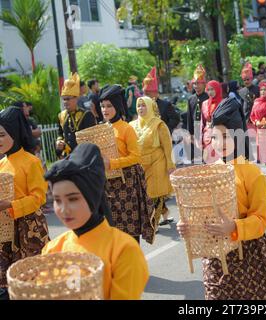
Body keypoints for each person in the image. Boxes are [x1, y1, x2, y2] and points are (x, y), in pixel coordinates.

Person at [176, 101, 266, 300]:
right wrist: (187, 226)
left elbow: (260, 220)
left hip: (248, 256)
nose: (219, 143)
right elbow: (201, 214)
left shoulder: (252, 173)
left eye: (226, 136)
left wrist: (233, 226)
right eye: (214, 137)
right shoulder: (210, 173)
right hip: (215, 255)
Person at [43, 143, 149, 300]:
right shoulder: (52, 250)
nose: (64, 209)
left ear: (92, 196)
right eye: (57, 200)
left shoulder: (123, 250)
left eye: (73, 199)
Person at [0, 106, 49, 300]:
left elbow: (39, 197)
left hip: (29, 229)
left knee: (32, 283)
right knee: (8, 284)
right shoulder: (1, 164)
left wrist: (11, 206)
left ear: (15, 133)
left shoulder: (31, 162)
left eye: (2, 135)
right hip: (5, 230)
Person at [99, 84, 156, 245]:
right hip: (109, 185)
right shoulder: (103, 129)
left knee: (129, 230)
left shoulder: (126, 129)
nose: (105, 110)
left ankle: (135, 266)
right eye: (102, 106)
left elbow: (135, 157)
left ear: (117, 106)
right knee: (113, 230)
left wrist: (113, 163)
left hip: (127, 184)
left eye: (109, 106)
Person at [130, 97, 175, 228]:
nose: (140, 108)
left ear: (150, 107)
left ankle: (152, 224)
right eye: (138, 106)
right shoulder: (132, 125)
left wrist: (170, 164)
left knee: (154, 194)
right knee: (149, 194)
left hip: (157, 163)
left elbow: (167, 146)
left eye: (144, 106)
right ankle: (165, 213)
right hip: (141, 165)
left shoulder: (159, 124)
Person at [55, 73, 97, 158]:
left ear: (76, 98)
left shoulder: (86, 115)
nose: (65, 102)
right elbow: (60, 134)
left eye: (68, 99)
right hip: (68, 158)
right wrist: (59, 141)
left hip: (83, 158)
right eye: (64, 99)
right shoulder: (61, 116)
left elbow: (92, 139)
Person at [142, 67, 180, 133]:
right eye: (145, 94)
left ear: (156, 93)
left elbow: (175, 119)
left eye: (148, 94)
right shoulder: (142, 106)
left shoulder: (165, 105)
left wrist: (165, 129)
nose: (146, 96)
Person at [186, 65, 209, 163]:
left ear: (204, 85)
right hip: (195, 128)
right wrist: (189, 133)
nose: (196, 86)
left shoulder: (208, 97)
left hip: (206, 128)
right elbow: (189, 117)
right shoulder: (191, 99)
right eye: (194, 84)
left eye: (199, 84)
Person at [201, 80, 223, 163]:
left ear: (217, 89)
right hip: (208, 135)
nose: (210, 92)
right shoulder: (205, 104)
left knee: (220, 161)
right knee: (209, 160)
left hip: (220, 133)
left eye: (212, 89)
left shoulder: (223, 103)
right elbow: (202, 122)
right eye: (208, 89)